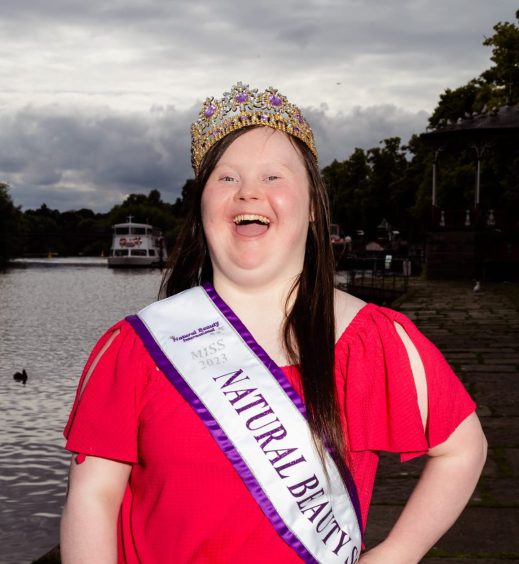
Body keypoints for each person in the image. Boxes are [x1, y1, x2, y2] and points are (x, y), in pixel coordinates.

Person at [60, 82, 487, 564]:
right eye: (225, 178)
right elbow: (92, 499)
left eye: (273, 176)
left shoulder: (374, 341)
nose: (248, 192)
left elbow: (463, 450)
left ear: (310, 207)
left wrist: (400, 552)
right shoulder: (137, 348)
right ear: (202, 209)